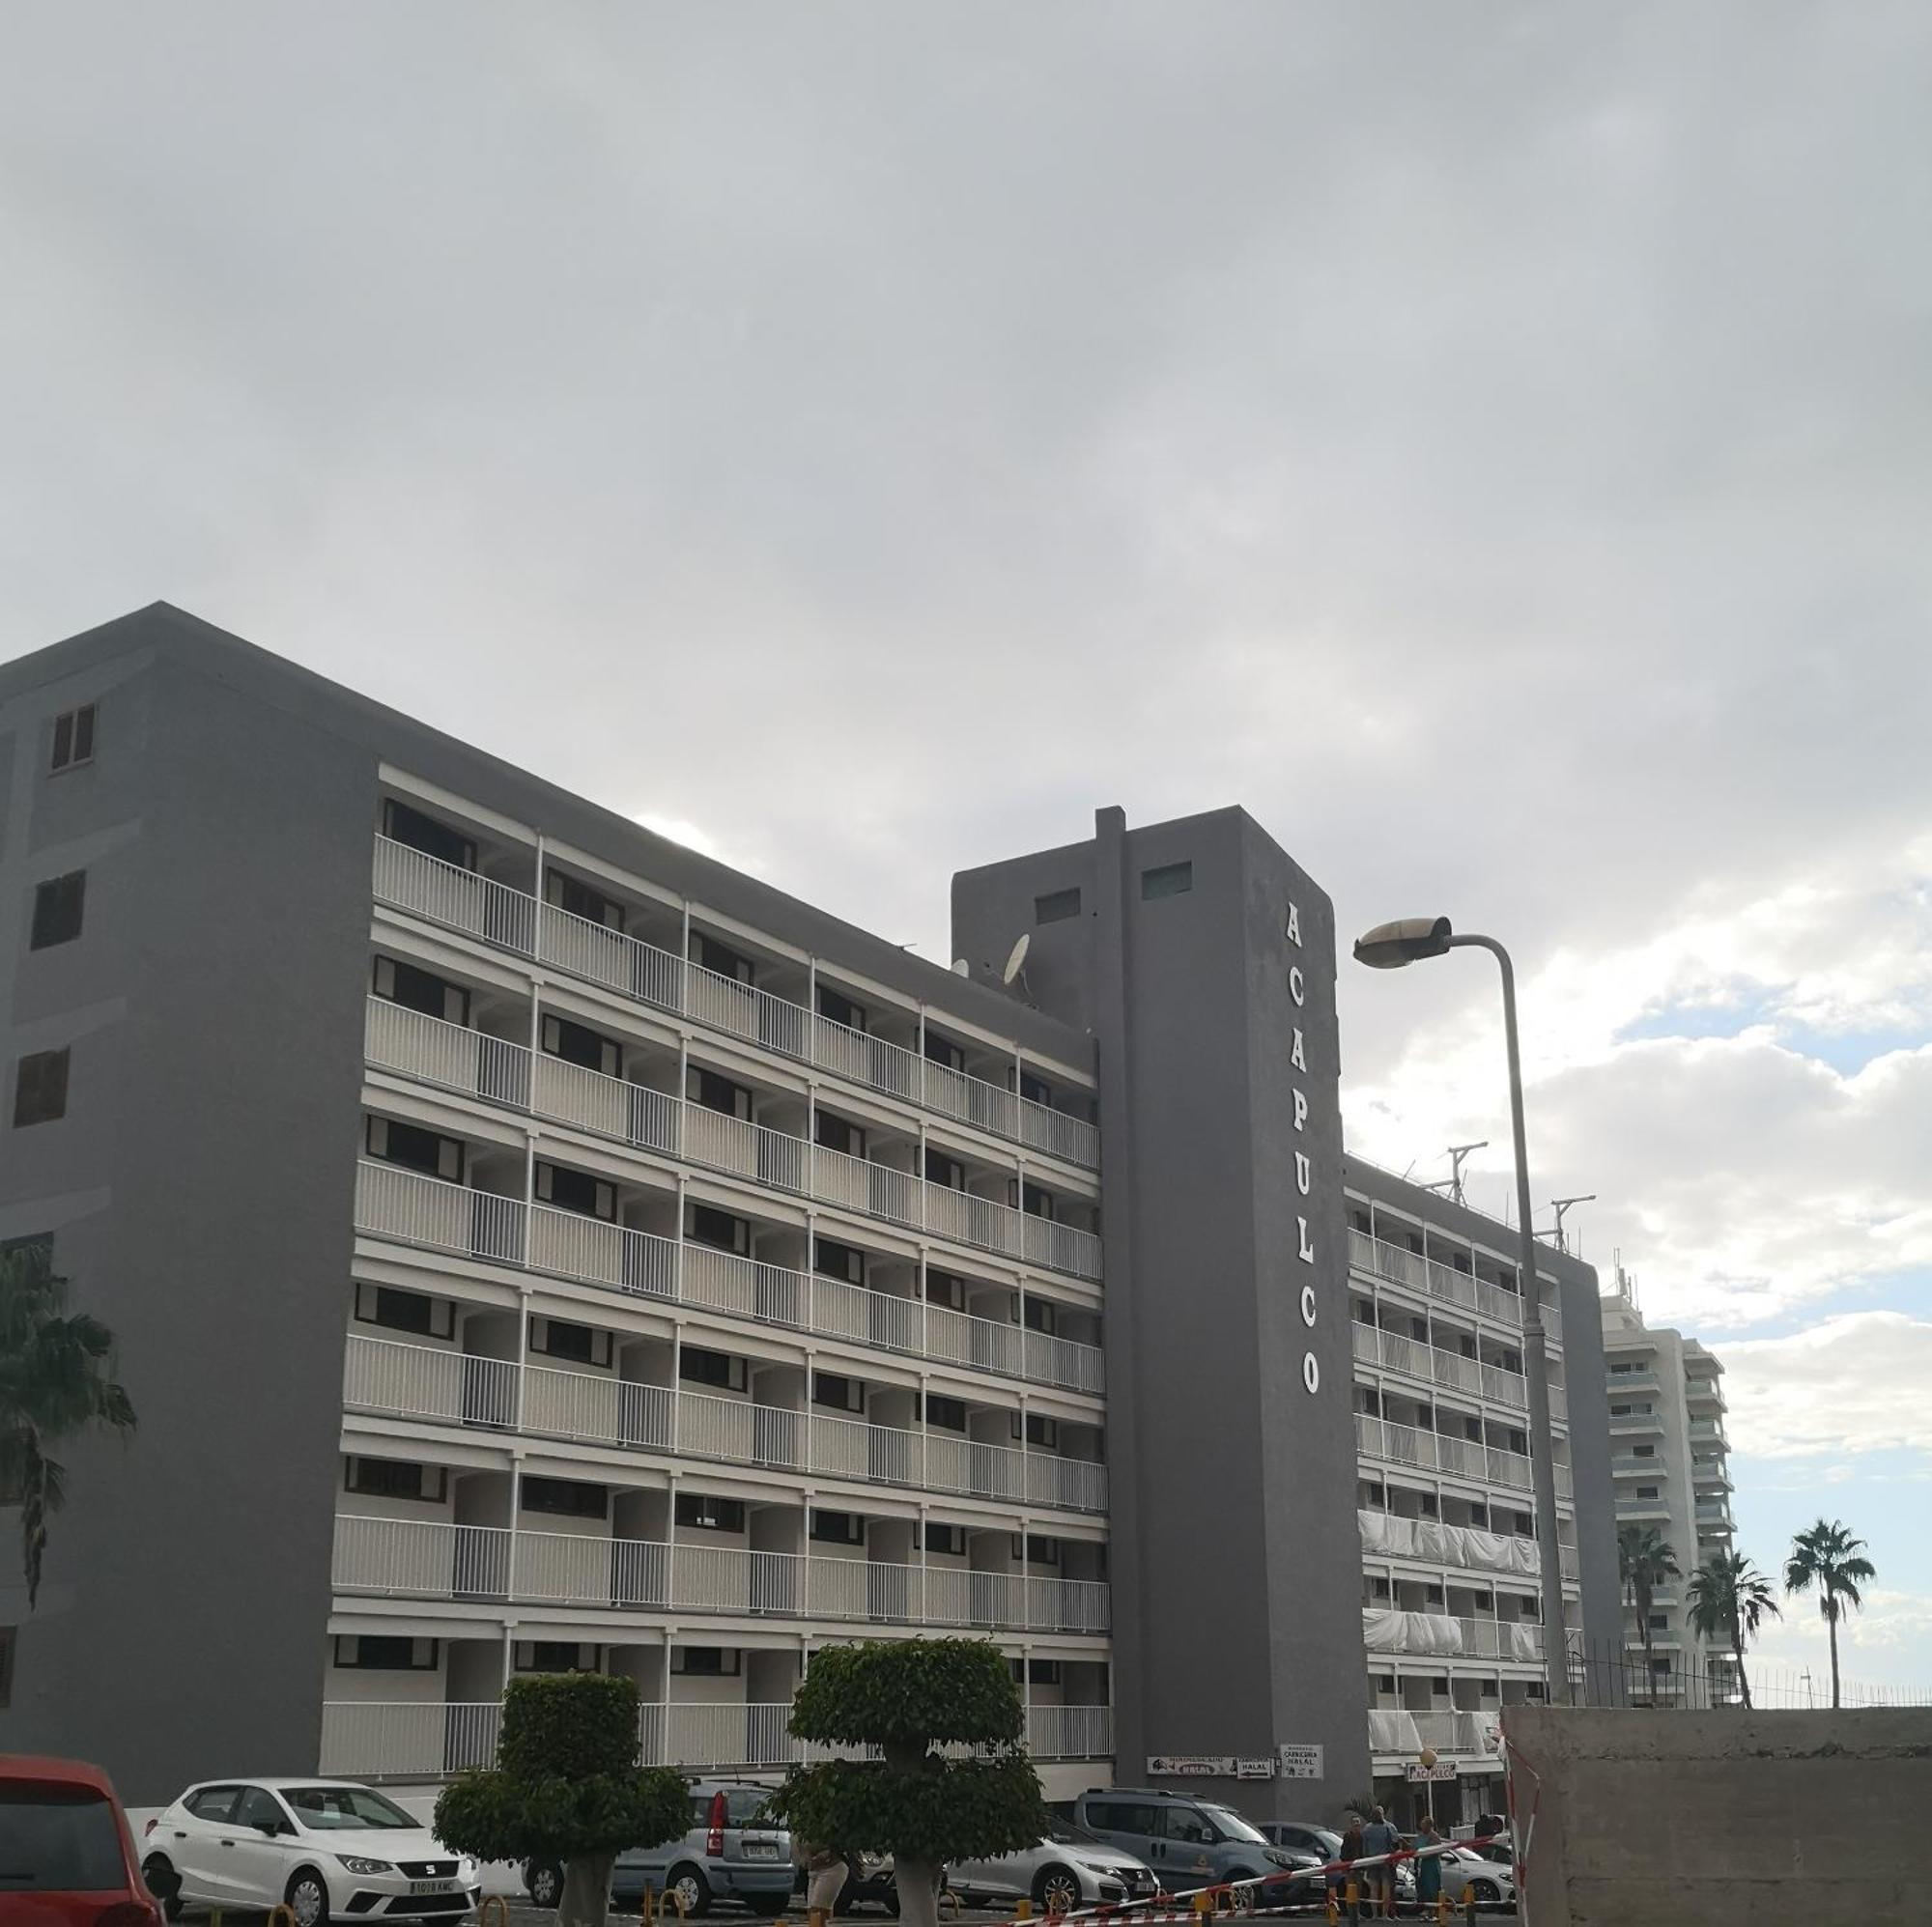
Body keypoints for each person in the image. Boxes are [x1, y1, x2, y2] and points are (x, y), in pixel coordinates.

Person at [1358, 1805, 1401, 1919]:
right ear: (1383, 1815)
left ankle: (1374, 1914)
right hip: (1386, 1860)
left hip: (1372, 1860)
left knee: (1374, 1888)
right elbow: (1395, 1844)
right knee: (1386, 1888)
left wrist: (1365, 1860)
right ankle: (1384, 1914)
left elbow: (1364, 1848)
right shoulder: (1389, 1827)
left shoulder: (1367, 1829)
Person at [792, 1835, 847, 1920]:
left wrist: (827, 1854)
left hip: (831, 1868)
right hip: (813, 1870)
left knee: (818, 1912)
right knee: (813, 1913)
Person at [1414, 1815, 1445, 1912]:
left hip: (1432, 1865)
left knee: (1433, 1888)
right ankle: (1429, 1911)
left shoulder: (1434, 1836)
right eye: (1421, 1825)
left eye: (1423, 1825)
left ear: (1429, 1825)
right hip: (1422, 1865)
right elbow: (1414, 1848)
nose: (1422, 1827)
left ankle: (1434, 1911)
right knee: (1424, 1889)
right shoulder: (1421, 1836)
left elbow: (1435, 1851)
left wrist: (1422, 1855)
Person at [1333, 1811, 1364, 1908]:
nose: (1357, 1826)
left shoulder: (1362, 1837)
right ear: (1351, 1825)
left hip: (1359, 1868)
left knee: (1359, 1891)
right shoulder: (1347, 1836)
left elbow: (1364, 1852)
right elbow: (1343, 1853)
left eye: (1358, 1824)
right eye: (1355, 1824)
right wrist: (1346, 1866)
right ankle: (1350, 1911)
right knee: (1350, 1890)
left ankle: (1357, 1911)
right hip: (1350, 1867)